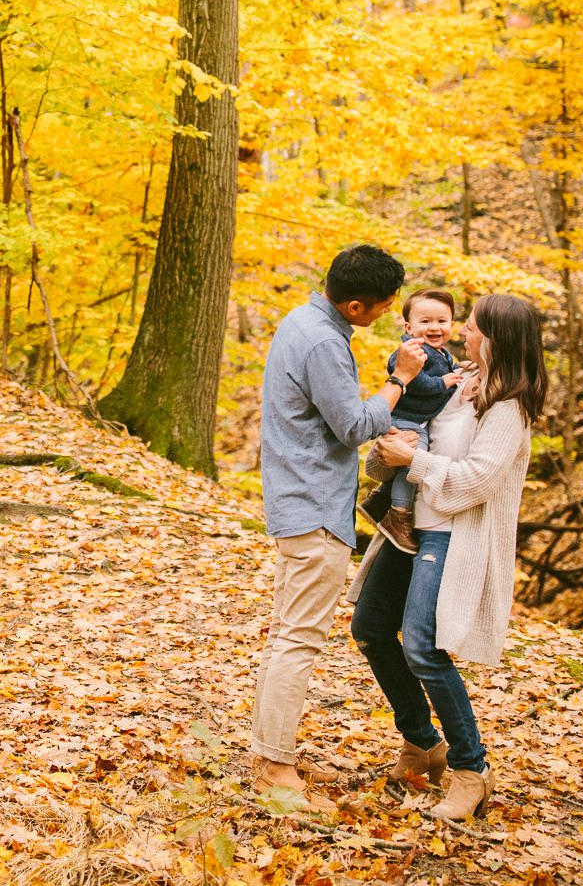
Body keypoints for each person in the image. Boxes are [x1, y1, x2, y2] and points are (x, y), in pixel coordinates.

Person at [347, 293, 548, 822]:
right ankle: (421, 743)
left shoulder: (510, 408)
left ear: (498, 339)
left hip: (450, 535)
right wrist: (390, 448)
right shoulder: (460, 382)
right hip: (407, 528)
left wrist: (413, 459)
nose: (464, 334)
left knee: (422, 647)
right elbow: (411, 436)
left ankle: (470, 768)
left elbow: (477, 480)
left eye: (475, 329)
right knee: (369, 627)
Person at [250, 245, 430, 810]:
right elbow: (353, 426)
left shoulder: (303, 319)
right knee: (298, 639)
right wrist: (400, 379)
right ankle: (274, 766)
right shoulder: (325, 341)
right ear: (354, 304)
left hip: (298, 499)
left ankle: (269, 751)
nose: (386, 313)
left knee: (287, 634)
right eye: (381, 307)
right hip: (312, 506)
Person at [363, 289, 470, 554]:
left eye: (442, 321)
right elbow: (410, 377)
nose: (434, 327)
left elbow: (448, 370)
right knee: (413, 459)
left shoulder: (443, 354)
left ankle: (380, 499)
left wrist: (458, 370)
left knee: (411, 462)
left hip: (419, 420)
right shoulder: (411, 350)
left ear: (452, 325)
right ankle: (398, 515)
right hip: (405, 418)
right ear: (409, 327)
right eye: (425, 321)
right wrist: (442, 382)